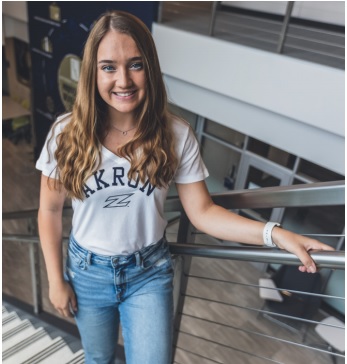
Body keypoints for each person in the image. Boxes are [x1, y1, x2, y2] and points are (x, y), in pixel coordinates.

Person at [36, 10, 334, 364]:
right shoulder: (65, 133)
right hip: (87, 273)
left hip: (148, 273)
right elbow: (50, 210)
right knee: (98, 359)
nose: (123, 80)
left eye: (135, 64)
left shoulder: (175, 134)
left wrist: (277, 234)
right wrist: (56, 280)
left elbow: (204, 212)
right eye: (108, 67)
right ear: (92, 72)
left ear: (150, 67)